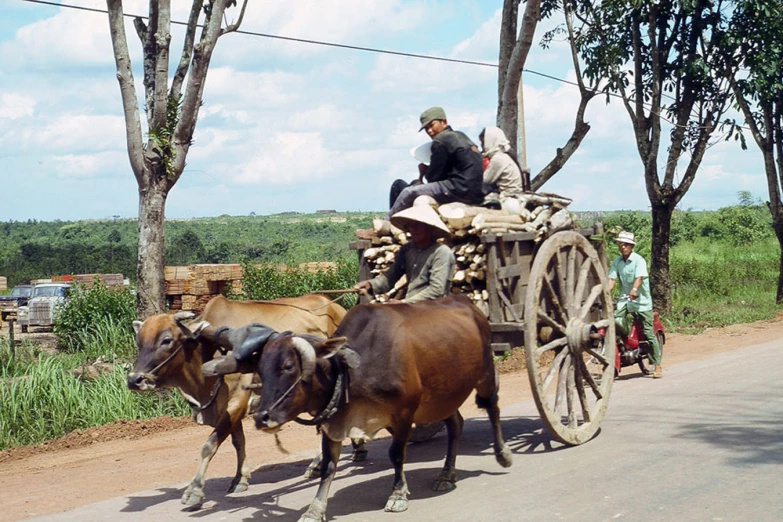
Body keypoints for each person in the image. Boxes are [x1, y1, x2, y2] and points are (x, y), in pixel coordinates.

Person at [386, 106, 484, 218]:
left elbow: (433, 177)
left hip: (458, 188)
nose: (429, 131)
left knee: (408, 192)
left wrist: (423, 172)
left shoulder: (441, 139)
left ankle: (386, 223)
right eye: (426, 128)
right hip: (476, 190)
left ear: (444, 121)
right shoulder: (462, 136)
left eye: (431, 125)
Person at [354, 203, 456, 303]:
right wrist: (371, 285)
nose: (412, 229)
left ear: (429, 228)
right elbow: (390, 277)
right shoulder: (407, 250)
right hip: (410, 307)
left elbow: (437, 290)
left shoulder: (442, 253)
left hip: (434, 309)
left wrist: (404, 303)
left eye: (417, 225)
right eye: (410, 225)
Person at [607, 231, 663, 378]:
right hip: (625, 300)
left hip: (641, 301)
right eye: (621, 244)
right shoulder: (617, 261)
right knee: (615, 322)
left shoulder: (639, 260)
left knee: (649, 333)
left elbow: (639, 278)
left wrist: (634, 289)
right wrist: (605, 292)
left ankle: (657, 365)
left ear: (631, 246)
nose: (623, 247)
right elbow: (612, 280)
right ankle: (624, 348)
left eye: (626, 244)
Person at [479, 126, 529, 213]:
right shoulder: (504, 155)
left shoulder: (498, 159)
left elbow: (485, 180)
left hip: (508, 197)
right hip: (514, 197)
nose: (482, 146)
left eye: (483, 143)